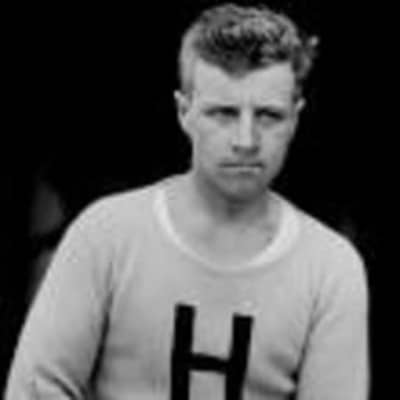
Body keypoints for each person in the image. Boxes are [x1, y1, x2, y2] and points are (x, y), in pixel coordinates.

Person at [5, 3, 369, 399]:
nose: (245, 141)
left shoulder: (330, 267)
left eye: (268, 115)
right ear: (184, 111)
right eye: (223, 113)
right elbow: (36, 390)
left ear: (295, 118)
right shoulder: (107, 236)